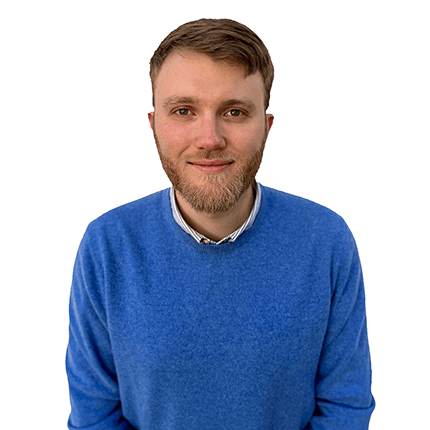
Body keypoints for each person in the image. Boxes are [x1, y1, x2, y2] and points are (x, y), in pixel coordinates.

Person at [66, 18, 375, 430]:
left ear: (265, 127)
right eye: (184, 111)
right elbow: (94, 417)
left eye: (234, 111)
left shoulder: (327, 241)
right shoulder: (107, 246)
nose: (210, 138)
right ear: (154, 124)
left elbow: (345, 408)